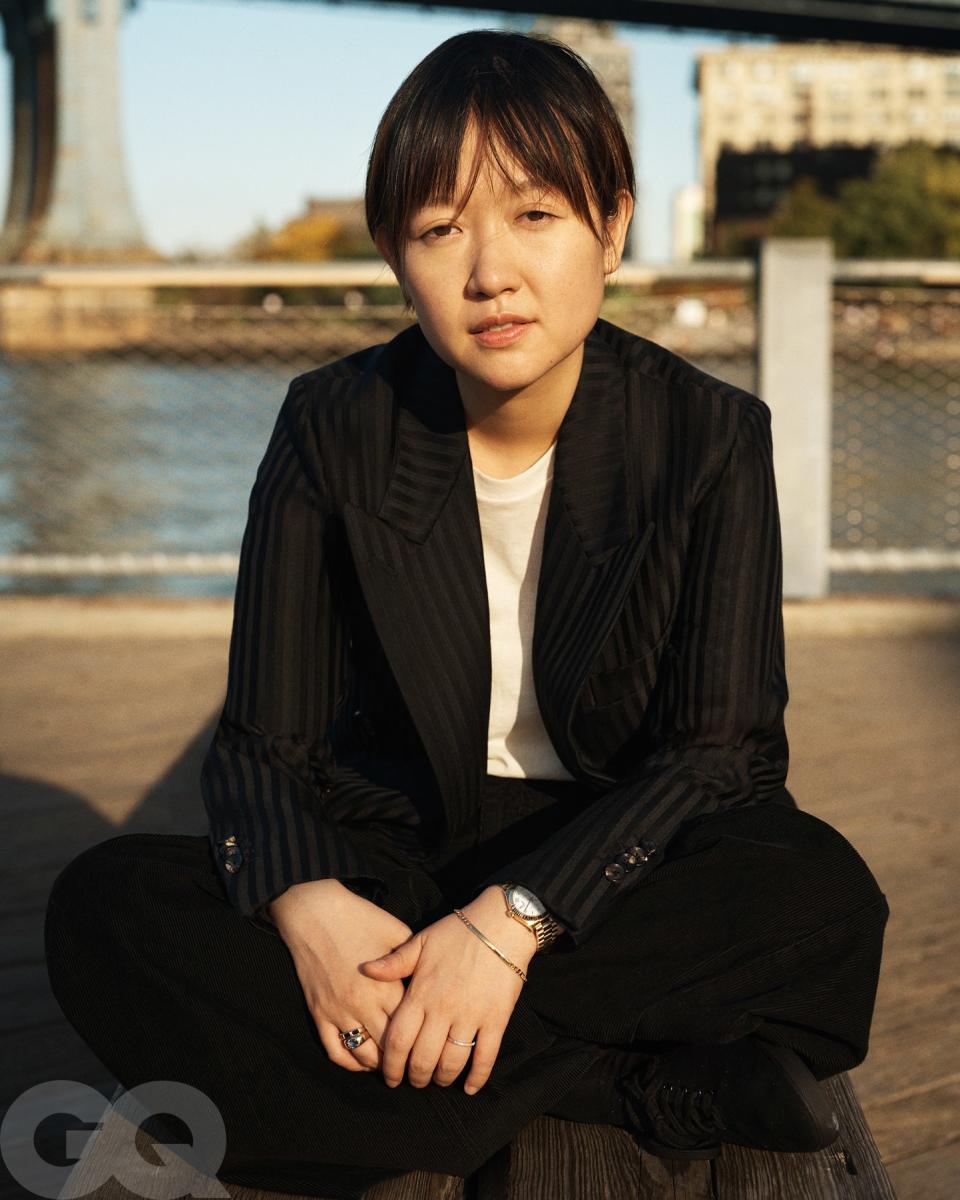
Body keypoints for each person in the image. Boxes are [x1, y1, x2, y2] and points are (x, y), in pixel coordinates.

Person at [44, 28, 889, 1200]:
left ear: (613, 228)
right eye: (442, 230)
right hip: (395, 854)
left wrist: (517, 924)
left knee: (821, 900)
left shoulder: (705, 436)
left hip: (611, 856)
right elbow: (261, 747)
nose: (490, 270)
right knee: (107, 907)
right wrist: (307, 906)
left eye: (535, 216)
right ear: (398, 255)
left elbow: (723, 753)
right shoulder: (333, 425)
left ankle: (372, 1098)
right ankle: (629, 1081)